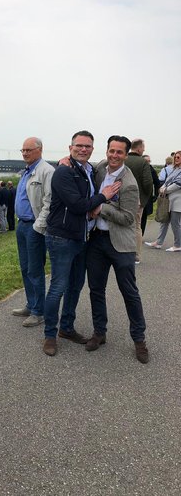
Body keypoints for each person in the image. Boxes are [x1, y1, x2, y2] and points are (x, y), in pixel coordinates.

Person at [42, 131, 121, 356]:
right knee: (58, 287)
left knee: (75, 286)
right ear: (70, 148)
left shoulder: (89, 170)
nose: (83, 149)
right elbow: (77, 205)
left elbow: (112, 162)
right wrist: (103, 196)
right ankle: (50, 334)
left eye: (87, 146)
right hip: (62, 238)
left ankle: (66, 328)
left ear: (93, 149)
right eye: (79, 146)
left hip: (82, 237)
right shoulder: (63, 172)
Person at [85, 135, 149, 364]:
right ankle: (99, 332)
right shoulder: (101, 168)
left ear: (126, 154)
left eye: (119, 152)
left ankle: (139, 340)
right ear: (107, 151)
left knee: (129, 292)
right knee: (96, 289)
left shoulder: (129, 183)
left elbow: (129, 219)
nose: (114, 155)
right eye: (111, 150)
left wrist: (101, 207)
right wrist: (66, 160)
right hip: (97, 241)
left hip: (121, 245)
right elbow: (86, 167)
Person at [13, 137, 54, 327]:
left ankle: (39, 311)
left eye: (28, 150)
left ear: (40, 149)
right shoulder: (27, 171)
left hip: (34, 226)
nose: (25, 153)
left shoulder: (46, 171)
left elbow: (49, 201)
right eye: (22, 150)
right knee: (24, 267)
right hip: (22, 225)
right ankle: (31, 304)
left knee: (35, 269)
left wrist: (39, 226)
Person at [124, 139, 153, 263]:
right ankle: (135, 255)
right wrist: (144, 197)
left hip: (121, 198)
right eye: (143, 147)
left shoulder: (123, 159)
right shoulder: (143, 162)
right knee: (136, 226)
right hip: (137, 200)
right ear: (139, 148)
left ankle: (122, 250)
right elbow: (148, 182)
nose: (144, 150)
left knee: (122, 225)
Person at [146, 150, 181, 252]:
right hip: (169, 200)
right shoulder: (175, 169)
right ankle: (158, 242)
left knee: (175, 224)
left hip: (177, 202)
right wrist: (164, 187)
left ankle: (178, 244)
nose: (176, 159)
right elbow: (167, 181)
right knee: (164, 221)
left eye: (178, 157)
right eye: (175, 157)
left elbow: (177, 184)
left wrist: (164, 189)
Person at [140, 155, 161, 235]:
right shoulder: (139, 169)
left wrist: (155, 195)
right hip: (137, 196)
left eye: (149, 161)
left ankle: (141, 235)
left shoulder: (151, 170)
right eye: (146, 161)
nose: (148, 162)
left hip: (147, 197)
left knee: (144, 217)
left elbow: (157, 183)